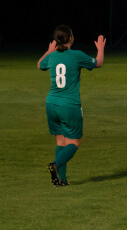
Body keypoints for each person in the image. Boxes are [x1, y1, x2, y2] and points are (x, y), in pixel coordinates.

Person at [38, 25, 106, 186]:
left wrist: (49, 51)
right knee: (74, 143)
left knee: (61, 141)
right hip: (69, 106)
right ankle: (55, 164)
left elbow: (40, 65)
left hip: (51, 104)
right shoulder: (76, 55)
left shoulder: (52, 56)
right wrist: (101, 48)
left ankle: (61, 180)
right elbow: (99, 63)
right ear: (70, 38)